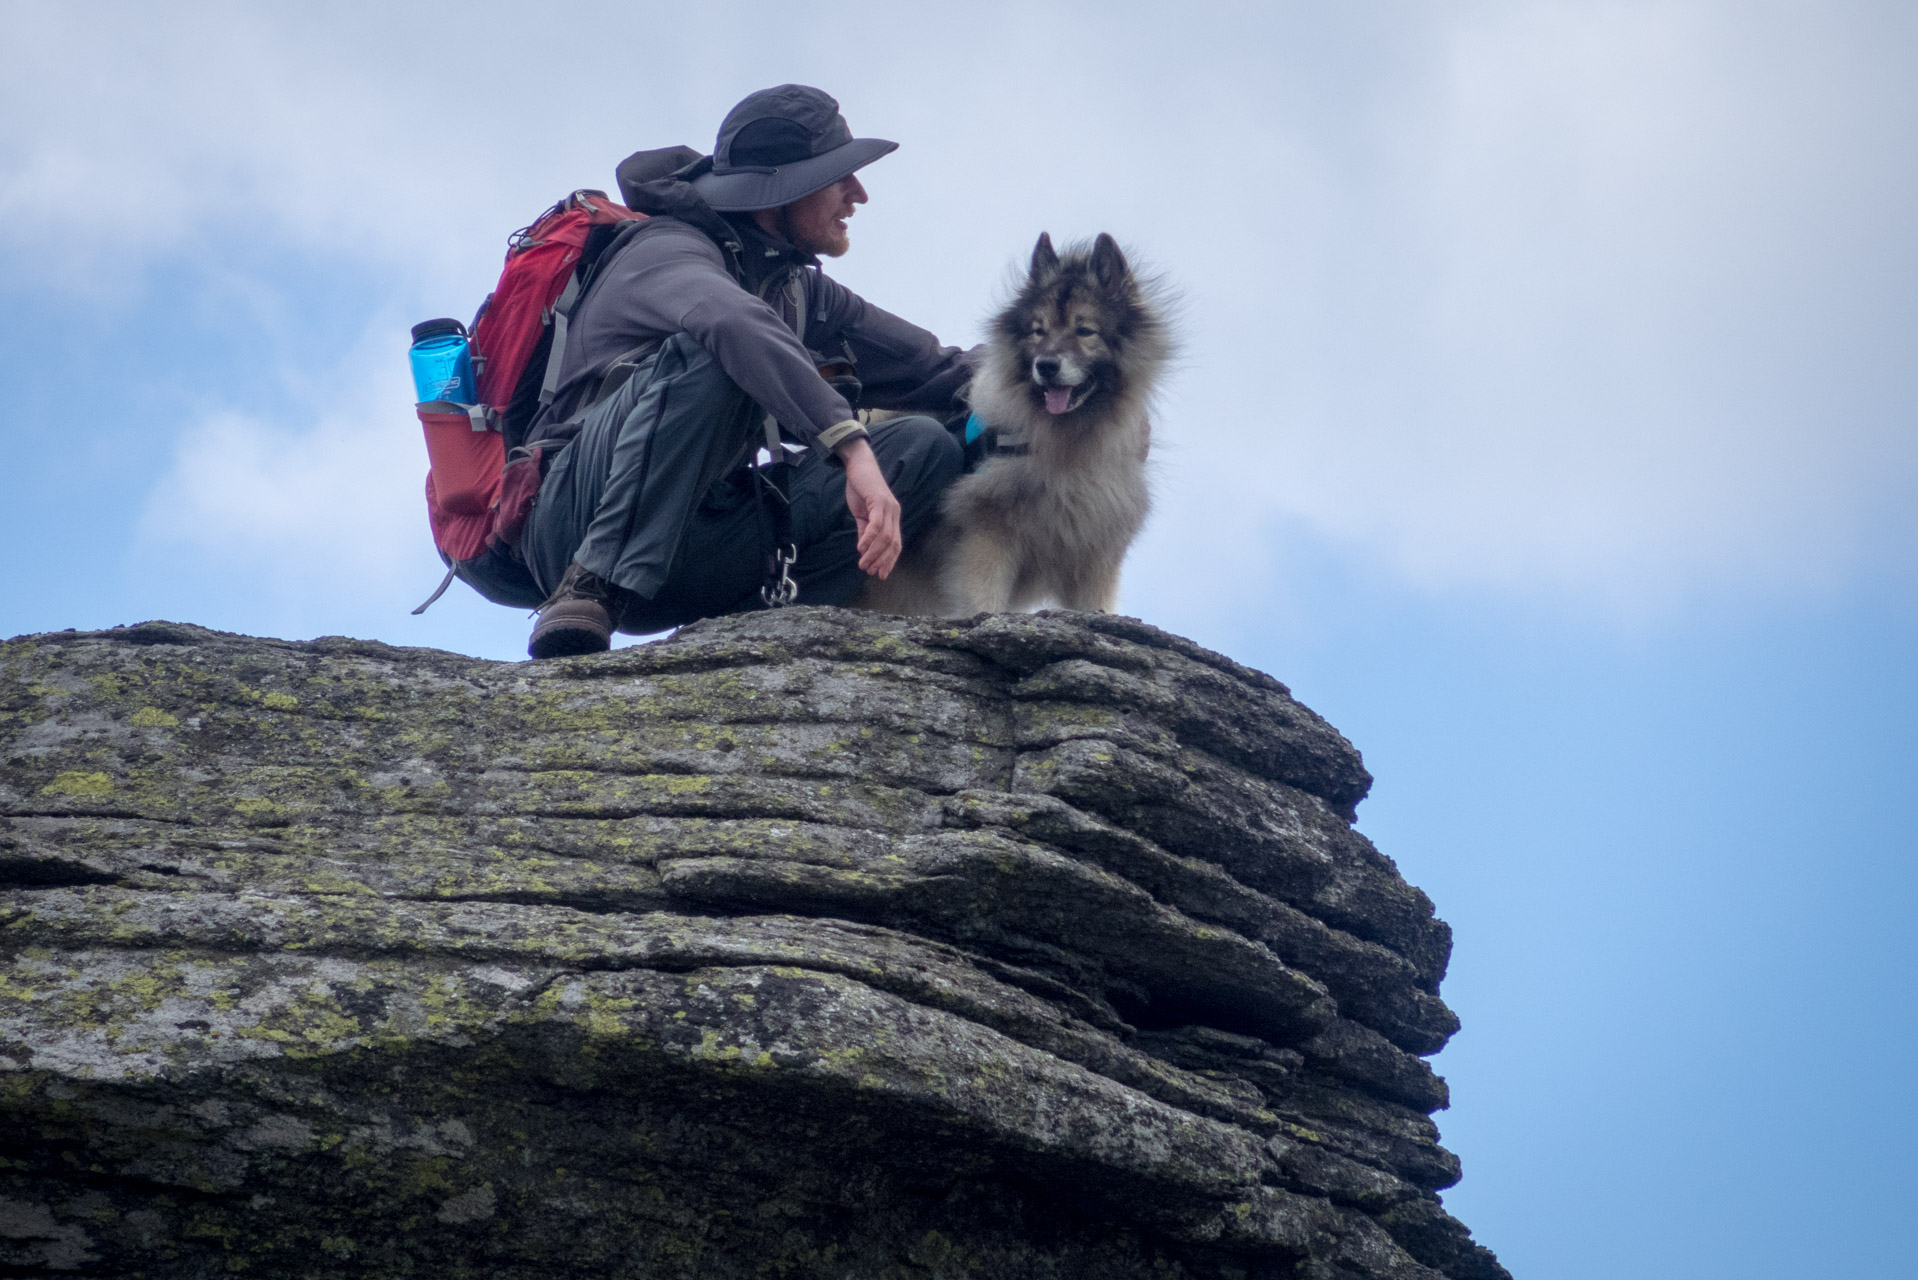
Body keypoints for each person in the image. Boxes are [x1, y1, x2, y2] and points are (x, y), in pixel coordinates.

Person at [511, 84, 972, 658]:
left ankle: (765, 635)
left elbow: (931, 367)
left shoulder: (801, 291)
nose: (859, 194)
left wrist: (1071, 383)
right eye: (838, 176)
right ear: (780, 188)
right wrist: (851, 449)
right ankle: (589, 587)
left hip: (696, 545)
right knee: (718, 352)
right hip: (575, 520)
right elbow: (731, 324)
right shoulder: (664, 248)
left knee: (926, 445)